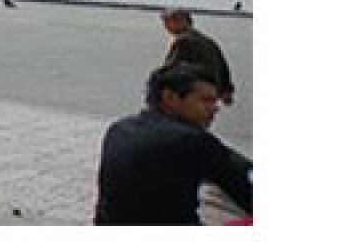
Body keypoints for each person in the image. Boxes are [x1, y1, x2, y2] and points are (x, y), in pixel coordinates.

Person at [94, 61, 253, 225]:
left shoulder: (119, 129)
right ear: (170, 98)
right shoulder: (192, 141)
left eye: (215, 102)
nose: (215, 108)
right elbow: (245, 188)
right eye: (205, 100)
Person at [160, 8, 236, 105]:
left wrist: (159, 93)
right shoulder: (208, 41)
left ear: (183, 21)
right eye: (165, 22)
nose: (166, 26)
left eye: (168, 21)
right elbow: (223, 68)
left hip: (188, 97)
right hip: (208, 97)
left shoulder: (183, 42)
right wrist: (226, 92)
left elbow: (171, 71)